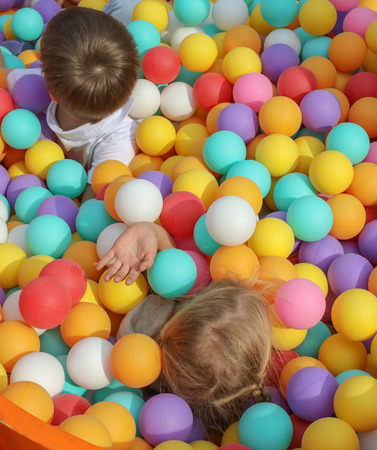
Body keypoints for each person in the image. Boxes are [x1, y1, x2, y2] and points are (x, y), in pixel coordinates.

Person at [97, 221, 274, 442]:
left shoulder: (144, 328)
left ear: (188, 307)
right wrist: (149, 232)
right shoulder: (244, 408)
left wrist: (148, 230)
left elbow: (170, 258)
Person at [1, 7, 140, 201]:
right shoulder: (33, 87)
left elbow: (91, 206)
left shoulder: (121, 138)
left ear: (52, 94)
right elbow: (3, 77)